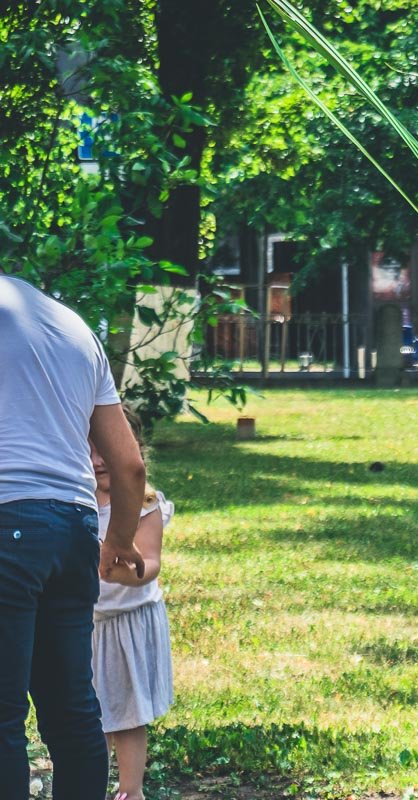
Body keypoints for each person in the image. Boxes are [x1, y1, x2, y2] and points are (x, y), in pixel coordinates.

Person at [0, 274, 146, 800]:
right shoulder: (75, 329)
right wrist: (120, 539)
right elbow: (129, 465)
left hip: (7, 524)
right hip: (74, 529)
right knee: (73, 711)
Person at [91, 407, 174, 800]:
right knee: (90, 714)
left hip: (128, 622)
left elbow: (151, 563)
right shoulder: (77, 500)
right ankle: (89, 785)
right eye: (89, 449)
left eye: (106, 449)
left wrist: (123, 573)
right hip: (89, 624)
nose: (98, 460)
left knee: (127, 714)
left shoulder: (145, 503)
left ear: (133, 450)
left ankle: (130, 790)